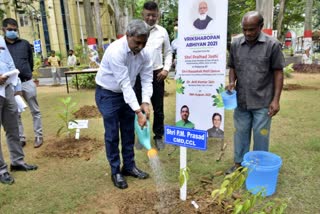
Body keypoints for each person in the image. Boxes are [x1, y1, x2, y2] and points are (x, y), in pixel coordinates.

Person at [95, 19, 153, 190]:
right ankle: (115, 171)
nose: (141, 46)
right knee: (112, 134)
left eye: (144, 43)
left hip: (128, 94)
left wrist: (145, 102)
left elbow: (147, 78)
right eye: (137, 42)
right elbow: (124, 84)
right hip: (108, 94)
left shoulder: (145, 53)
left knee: (128, 132)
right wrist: (138, 111)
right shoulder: (115, 51)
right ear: (128, 36)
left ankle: (129, 166)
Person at [225, 11, 284, 174]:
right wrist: (231, 82)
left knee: (261, 136)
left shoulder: (272, 45)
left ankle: (258, 168)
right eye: (244, 29)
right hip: (241, 100)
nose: (247, 33)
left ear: (261, 27)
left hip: (263, 101)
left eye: (251, 29)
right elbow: (233, 67)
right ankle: (239, 165)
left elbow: (278, 72)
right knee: (240, 133)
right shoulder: (236, 44)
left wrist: (276, 100)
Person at [134, 1, 172, 151]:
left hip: (157, 74)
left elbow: (168, 52)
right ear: (143, 14)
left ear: (158, 15)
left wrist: (166, 69)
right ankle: (141, 136)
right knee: (139, 107)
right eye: (148, 15)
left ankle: (158, 136)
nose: (151, 18)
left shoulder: (162, 31)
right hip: (139, 73)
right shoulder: (136, 31)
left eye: (154, 15)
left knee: (159, 108)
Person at [0, 35, 38, 185]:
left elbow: (9, 62)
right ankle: (1, 170)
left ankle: (17, 161)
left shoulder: (1, 39)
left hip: (7, 88)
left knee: (13, 127)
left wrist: (17, 87)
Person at [3, 18, 44, 148]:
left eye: (15, 30)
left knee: (35, 110)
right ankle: (21, 138)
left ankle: (39, 136)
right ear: (3, 29)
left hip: (27, 81)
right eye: (10, 29)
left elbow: (30, 61)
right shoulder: (1, 46)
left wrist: (27, 73)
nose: (13, 32)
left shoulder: (25, 44)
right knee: (16, 113)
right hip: (11, 85)